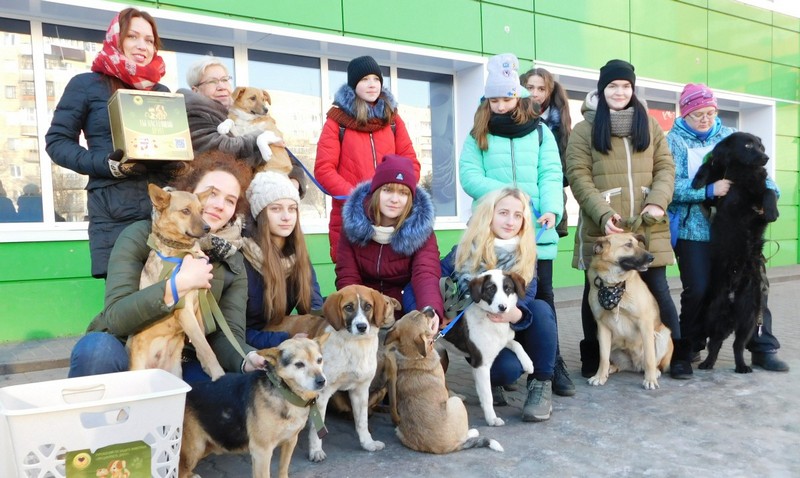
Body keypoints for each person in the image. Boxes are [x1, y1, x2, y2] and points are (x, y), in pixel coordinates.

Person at [67, 150, 264, 383]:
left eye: (230, 200)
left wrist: (246, 358)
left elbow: (227, 334)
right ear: (189, 191)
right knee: (96, 351)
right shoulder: (140, 235)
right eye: (211, 193)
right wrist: (177, 286)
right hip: (125, 342)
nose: (218, 205)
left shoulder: (232, 259)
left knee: (223, 390)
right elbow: (116, 316)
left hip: (182, 354)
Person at [565, 59, 693, 380]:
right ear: (602, 89)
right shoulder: (584, 130)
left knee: (658, 287)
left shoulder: (648, 126)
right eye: (612, 86)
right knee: (593, 291)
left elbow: (666, 167)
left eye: (625, 86)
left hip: (649, 224)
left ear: (633, 90)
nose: (619, 91)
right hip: (604, 225)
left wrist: (657, 202)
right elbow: (578, 175)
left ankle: (676, 354)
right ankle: (594, 357)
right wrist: (603, 213)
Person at [460, 54, 573, 396]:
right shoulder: (479, 131)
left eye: (506, 98)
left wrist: (552, 208)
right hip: (491, 227)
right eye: (494, 99)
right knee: (491, 293)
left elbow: (551, 173)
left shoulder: (540, 133)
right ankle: (495, 363)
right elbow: (469, 175)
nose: (500, 105)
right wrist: (506, 199)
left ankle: (551, 365)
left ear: (519, 96)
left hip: (534, 227)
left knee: (543, 298)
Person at [667, 83, 788, 372]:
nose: (705, 119)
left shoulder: (732, 137)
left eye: (710, 112)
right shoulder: (671, 141)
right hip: (693, 231)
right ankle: (689, 347)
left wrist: (769, 197)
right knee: (698, 289)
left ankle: (761, 346)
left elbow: (763, 177)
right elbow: (669, 187)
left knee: (755, 286)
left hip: (738, 230)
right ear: (685, 113)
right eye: (698, 114)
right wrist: (709, 190)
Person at [45, 8, 173, 279]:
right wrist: (107, 164)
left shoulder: (161, 93)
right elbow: (57, 142)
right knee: (126, 305)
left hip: (162, 212)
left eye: (149, 40)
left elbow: (170, 147)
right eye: (133, 36)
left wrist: (179, 162)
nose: (142, 46)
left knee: (169, 298)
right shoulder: (87, 85)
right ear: (117, 39)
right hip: (114, 210)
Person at [441, 187, 558, 422]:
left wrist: (514, 314)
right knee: (504, 370)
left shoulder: (526, 253)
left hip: (516, 325)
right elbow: (431, 273)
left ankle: (541, 385)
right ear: (489, 215)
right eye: (503, 213)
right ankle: (493, 384)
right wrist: (435, 311)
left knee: (542, 310)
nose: (510, 221)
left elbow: (528, 295)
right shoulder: (466, 249)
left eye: (518, 215)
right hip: (480, 332)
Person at [315, 55, 419, 262]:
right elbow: (324, 170)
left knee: (393, 279)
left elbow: (411, 164)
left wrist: (396, 194)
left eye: (376, 79)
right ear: (353, 85)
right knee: (352, 284)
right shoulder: (337, 122)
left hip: (392, 218)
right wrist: (358, 198)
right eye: (364, 79)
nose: (372, 84)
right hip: (352, 217)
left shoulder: (393, 119)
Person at [336, 154, 443, 320]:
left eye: (403, 193)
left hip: (404, 308)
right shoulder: (353, 225)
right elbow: (348, 277)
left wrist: (430, 311)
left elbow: (425, 274)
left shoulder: (421, 229)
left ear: (410, 198)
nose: (395, 199)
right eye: (387, 190)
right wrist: (359, 316)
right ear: (376, 192)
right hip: (363, 311)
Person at [178, 56, 306, 195]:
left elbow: (282, 150)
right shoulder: (194, 114)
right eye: (212, 82)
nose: (221, 86)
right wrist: (261, 136)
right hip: (221, 200)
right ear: (195, 90)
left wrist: (295, 179)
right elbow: (224, 148)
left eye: (225, 79)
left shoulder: (238, 114)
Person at [241, 171, 323, 349]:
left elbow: (313, 310)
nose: (286, 217)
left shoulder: (298, 255)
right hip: (247, 350)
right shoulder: (242, 257)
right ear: (260, 214)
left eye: (292, 209)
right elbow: (235, 332)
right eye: (276, 209)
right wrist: (284, 339)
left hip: (285, 342)